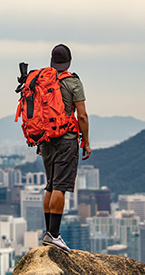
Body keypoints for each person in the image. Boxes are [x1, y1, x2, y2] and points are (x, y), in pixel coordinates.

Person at [41, 44, 91, 253]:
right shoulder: (73, 82)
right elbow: (82, 116)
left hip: (45, 140)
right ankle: (54, 235)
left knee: (51, 185)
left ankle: (48, 232)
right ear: (69, 62)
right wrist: (85, 142)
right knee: (60, 186)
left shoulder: (42, 81)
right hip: (66, 139)